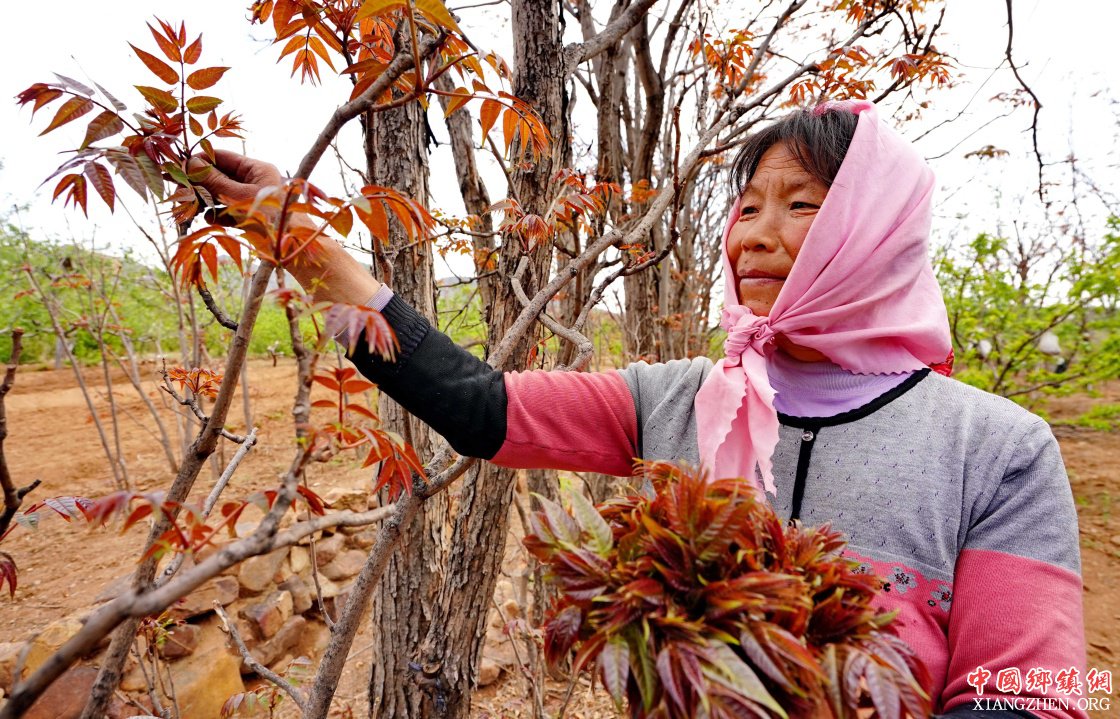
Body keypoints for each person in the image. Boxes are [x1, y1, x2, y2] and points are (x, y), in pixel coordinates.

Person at [196, 101, 1087, 718]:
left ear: (875, 232)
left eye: (802, 205)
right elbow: (478, 405)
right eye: (745, 208)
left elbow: (1038, 691)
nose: (754, 234)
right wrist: (297, 238)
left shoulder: (998, 448)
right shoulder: (680, 397)